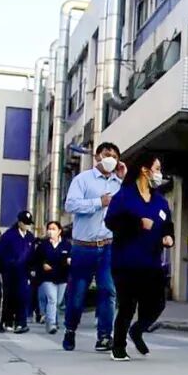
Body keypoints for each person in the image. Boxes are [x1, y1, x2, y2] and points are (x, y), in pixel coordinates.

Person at [104, 155, 174, 361]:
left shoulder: (160, 200)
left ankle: (137, 330)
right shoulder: (124, 196)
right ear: (145, 170)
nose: (159, 174)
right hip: (126, 261)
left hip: (152, 261)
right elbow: (111, 222)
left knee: (157, 304)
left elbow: (167, 224)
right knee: (127, 305)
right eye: (157, 169)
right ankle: (118, 347)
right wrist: (137, 223)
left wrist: (168, 236)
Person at [63, 142, 124, 352]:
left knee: (108, 290)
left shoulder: (119, 184)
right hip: (83, 247)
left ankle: (104, 336)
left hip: (108, 246)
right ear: (98, 156)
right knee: (77, 294)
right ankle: (70, 329)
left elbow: (130, 206)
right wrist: (99, 202)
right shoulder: (82, 179)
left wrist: (124, 178)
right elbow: (70, 204)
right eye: (107, 154)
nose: (111, 159)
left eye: (115, 156)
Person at [0, 211, 36, 334]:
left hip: (23, 272)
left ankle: (21, 323)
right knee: (8, 297)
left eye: (29, 223)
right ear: (19, 222)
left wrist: (32, 269)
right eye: (25, 223)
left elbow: (32, 255)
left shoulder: (30, 237)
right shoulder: (9, 235)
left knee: (22, 296)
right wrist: (1, 267)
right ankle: (4, 321)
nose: (27, 225)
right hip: (8, 272)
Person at [33, 221, 72, 335]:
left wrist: (68, 261)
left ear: (59, 231)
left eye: (53, 229)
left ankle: (51, 319)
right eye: (49, 229)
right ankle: (51, 323)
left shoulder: (66, 245)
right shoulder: (43, 245)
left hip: (62, 277)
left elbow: (70, 257)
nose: (51, 231)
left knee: (58, 302)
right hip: (47, 277)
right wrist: (42, 265)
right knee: (52, 299)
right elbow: (36, 260)